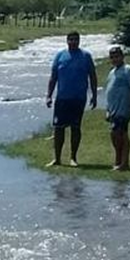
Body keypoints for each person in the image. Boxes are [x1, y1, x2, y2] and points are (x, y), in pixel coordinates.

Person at [44, 31, 97, 167]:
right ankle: (57, 158)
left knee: (75, 128)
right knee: (58, 128)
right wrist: (49, 95)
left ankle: (73, 157)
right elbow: (53, 77)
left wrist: (94, 95)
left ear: (79, 41)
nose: (73, 42)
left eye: (75, 40)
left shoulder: (86, 56)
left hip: (78, 98)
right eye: (71, 40)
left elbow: (92, 76)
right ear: (66, 41)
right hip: (62, 98)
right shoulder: (60, 56)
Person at [104, 45, 130, 171]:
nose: (114, 59)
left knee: (122, 134)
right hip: (113, 109)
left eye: (117, 56)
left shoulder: (128, 70)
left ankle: (125, 162)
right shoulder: (112, 72)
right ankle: (118, 160)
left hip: (124, 108)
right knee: (114, 135)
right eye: (112, 57)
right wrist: (107, 109)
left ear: (122, 57)